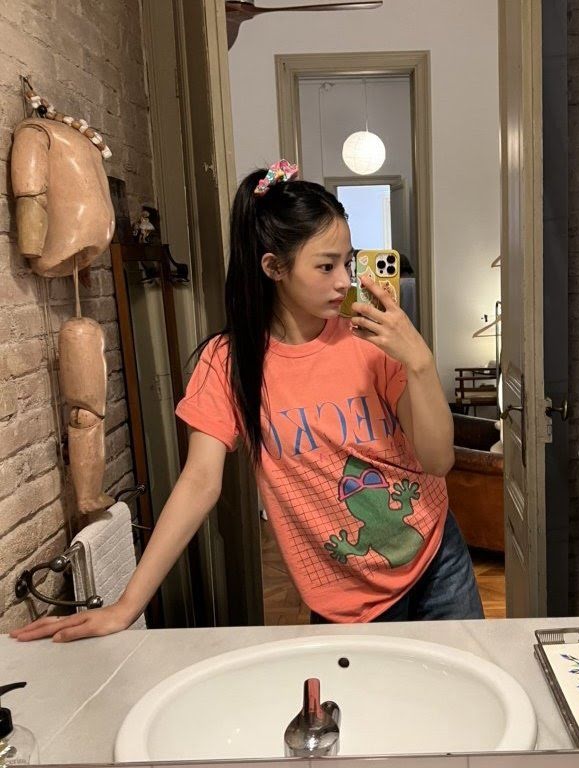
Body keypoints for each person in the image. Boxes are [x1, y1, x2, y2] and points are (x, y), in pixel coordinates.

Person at [11, 160, 483, 642]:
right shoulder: (228, 363)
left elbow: (437, 460)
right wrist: (126, 606)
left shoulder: (368, 339)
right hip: (348, 601)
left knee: (465, 687)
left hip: (436, 560)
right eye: (326, 266)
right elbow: (199, 482)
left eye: (348, 261)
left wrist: (419, 361)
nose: (344, 280)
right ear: (274, 267)